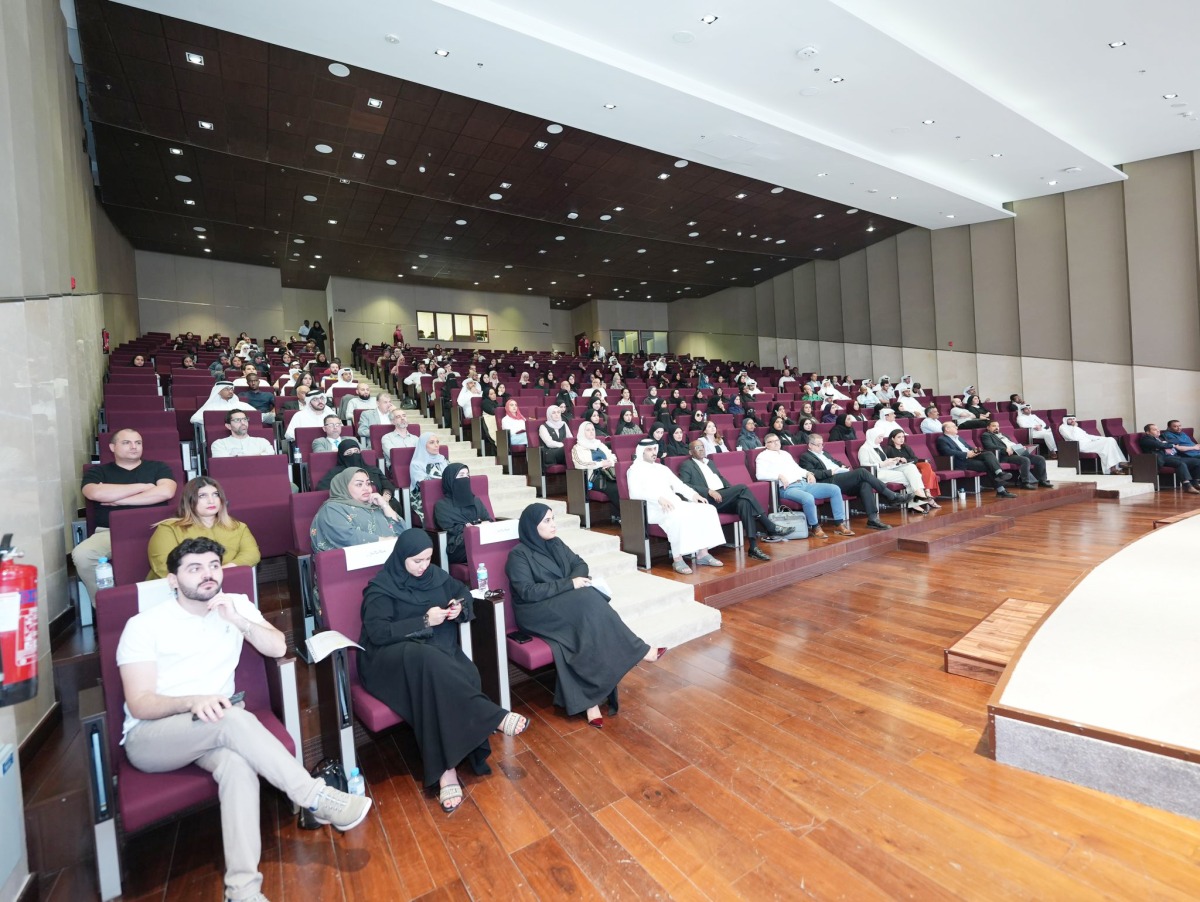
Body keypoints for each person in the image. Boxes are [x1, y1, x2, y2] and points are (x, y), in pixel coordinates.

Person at [118, 538, 371, 901]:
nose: (207, 574)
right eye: (194, 568)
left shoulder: (235, 604)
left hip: (213, 729)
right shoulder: (144, 625)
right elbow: (140, 703)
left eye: (213, 566)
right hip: (155, 736)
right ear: (173, 580)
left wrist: (238, 621)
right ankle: (313, 795)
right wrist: (193, 701)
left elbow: (278, 648)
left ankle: (242, 891)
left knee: (237, 766)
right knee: (230, 717)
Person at [506, 504, 663, 728]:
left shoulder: (556, 543)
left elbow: (580, 564)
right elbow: (528, 592)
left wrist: (574, 583)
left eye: (553, 519)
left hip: (566, 603)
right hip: (535, 611)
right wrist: (570, 584)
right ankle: (640, 650)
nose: (553, 525)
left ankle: (590, 702)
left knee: (588, 622)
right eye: (547, 521)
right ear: (532, 527)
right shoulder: (518, 555)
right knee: (589, 599)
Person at [73, 429, 178, 602]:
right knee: (83, 555)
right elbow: (95, 494)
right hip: (110, 532)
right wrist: (143, 486)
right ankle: (112, 603)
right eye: (126, 442)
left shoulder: (159, 467)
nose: (134, 447)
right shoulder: (97, 471)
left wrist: (119, 500)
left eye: (138, 442)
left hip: (158, 530)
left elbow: (166, 492)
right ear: (112, 447)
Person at [680, 440, 794, 561]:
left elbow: (721, 479)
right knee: (742, 488)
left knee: (744, 503)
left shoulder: (710, 463)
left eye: (702, 446)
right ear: (690, 452)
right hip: (708, 500)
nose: (701, 449)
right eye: (697, 447)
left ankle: (753, 548)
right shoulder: (687, 465)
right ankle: (769, 525)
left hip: (723, 496)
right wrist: (708, 491)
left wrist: (731, 492)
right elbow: (684, 485)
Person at [626, 438, 726, 574]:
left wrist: (693, 495)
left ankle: (703, 553)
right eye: (649, 450)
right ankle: (677, 559)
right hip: (652, 508)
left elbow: (679, 485)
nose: (653, 452)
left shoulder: (662, 468)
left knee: (708, 510)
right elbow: (635, 494)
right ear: (641, 452)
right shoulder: (634, 470)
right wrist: (658, 498)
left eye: (654, 449)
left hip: (673, 503)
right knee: (676, 516)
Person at [145, 478, 260, 579]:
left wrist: (219, 572)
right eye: (202, 496)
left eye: (216, 494)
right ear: (190, 501)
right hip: (174, 592)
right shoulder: (168, 528)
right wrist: (206, 577)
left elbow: (252, 554)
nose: (211, 500)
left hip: (225, 584)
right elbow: (163, 566)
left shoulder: (238, 527)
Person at [798, 434, 911, 530]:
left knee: (864, 484)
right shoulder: (805, 457)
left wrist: (842, 466)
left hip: (841, 478)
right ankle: (891, 495)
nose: (821, 447)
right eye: (818, 445)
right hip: (829, 481)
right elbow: (812, 473)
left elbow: (835, 462)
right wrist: (831, 471)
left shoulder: (825, 453)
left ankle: (872, 519)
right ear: (810, 445)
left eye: (822, 444)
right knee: (862, 472)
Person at [755, 433, 854, 537]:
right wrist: (778, 476)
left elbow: (797, 469)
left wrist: (808, 473)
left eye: (777, 440)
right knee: (808, 498)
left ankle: (839, 523)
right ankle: (814, 526)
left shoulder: (785, 454)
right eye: (772, 441)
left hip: (803, 483)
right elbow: (760, 475)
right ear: (766, 444)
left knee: (834, 489)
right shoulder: (762, 456)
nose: (776, 443)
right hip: (787, 488)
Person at [310, 468, 406, 552]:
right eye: (359, 484)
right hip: (350, 567)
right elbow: (347, 538)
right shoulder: (331, 509)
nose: (366, 488)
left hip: (388, 557)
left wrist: (385, 505)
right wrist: (389, 542)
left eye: (368, 483)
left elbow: (402, 530)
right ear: (344, 487)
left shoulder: (373, 504)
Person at [857, 430, 934, 512]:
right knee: (913, 476)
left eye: (882, 437)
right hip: (876, 473)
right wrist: (881, 464)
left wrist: (893, 460)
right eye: (879, 437)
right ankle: (918, 497)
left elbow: (884, 460)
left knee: (911, 467)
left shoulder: (877, 446)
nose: (882, 440)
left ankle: (918, 494)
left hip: (887, 469)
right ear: (872, 437)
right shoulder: (864, 449)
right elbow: (864, 466)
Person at [432, 464, 494, 564]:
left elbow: (488, 520)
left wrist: (474, 526)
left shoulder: (476, 500)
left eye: (467, 475)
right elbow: (449, 529)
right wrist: (471, 527)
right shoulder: (442, 505)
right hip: (458, 546)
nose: (465, 478)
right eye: (461, 475)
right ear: (450, 480)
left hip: (482, 538)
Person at [936, 422, 1016, 498]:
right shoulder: (942, 439)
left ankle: (999, 473)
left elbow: (968, 447)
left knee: (988, 453)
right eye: (954, 426)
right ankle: (1001, 489)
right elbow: (947, 452)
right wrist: (966, 454)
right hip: (962, 460)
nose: (956, 427)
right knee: (988, 465)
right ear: (947, 429)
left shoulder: (959, 438)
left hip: (972, 456)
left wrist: (975, 450)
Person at [316, 440, 399, 513]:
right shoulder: (336, 473)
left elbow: (387, 485)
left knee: (394, 504)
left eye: (356, 451)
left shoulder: (372, 469)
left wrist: (385, 496)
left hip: (378, 501)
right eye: (349, 453)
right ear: (342, 456)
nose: (354, 455)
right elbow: (322, 488)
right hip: (353, 506)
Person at [571, 421, 621, 523]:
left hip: (609, 472)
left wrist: (610, 462)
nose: (591, 432)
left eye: (593, 429)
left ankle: (619, 515)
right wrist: (599, 464)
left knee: (624, 485)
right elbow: (580, 464)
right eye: (588, 430)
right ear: (581, 432)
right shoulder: (577, 448)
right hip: (594, 477)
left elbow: (613, 457)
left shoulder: (599, 444)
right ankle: (626, 516)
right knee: (615, 488)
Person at [981, 421, 1053, 488]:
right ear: (988, 427)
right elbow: (990, 446)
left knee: (1040, 459)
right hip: (1005, 455)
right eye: (994, 426)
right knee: (1025, 460)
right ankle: (1025, 482)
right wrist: (1005, 449)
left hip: (1017, 451)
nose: (997, 428)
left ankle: (1042, 480)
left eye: (998, 426)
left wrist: (1021, 447)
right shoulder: (986, 435)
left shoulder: (1004, 435)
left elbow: (1012, 444)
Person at [883, 429, 943, 505]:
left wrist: (906, 460)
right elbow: (887, 461)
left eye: (903, 437)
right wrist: (897, 460)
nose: (902, 439)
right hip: (900, 469)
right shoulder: (888, 449)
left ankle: (927, 491)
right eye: (899, 437)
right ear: (892, 438)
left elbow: (915, 459)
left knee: (927, 465)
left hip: (911, 465)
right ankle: (927, 496)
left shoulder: (906, 447)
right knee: (931, 474)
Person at [1137, 425, 1200, 493]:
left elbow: (1176, 440)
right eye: (1154, 430)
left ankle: (1195, 482)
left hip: (1172, 457)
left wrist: (1166, 443)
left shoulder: (1160, 437)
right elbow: (1160, 445)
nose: (1158, 430)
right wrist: (1170, 445)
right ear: (1148, 432)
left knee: (1196, 461)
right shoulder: (1146, 439)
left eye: (1158, 429)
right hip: (1161, 458)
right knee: (1180, 464)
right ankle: (1187, 486)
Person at [1057, 415, 1127, 474]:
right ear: (1065, 420)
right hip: (1080, 445)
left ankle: (1118, 465)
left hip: (1088, 443)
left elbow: (1087, 435)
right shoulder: (1063, 428)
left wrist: (1101, 438)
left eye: (1073, 419)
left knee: (1110, 439)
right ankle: (1113, 468)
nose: (1072, 420)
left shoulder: (1076, 428)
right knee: (1108, 442)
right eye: (1070, 419)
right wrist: (1075, 427)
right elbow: (1073, 438)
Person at [408, 433, 448, 521]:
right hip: (425, 498)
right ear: (423, 445)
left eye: (437, 442)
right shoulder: (417, 464)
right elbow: (425, 485)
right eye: (432, 442)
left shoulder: (442, 459)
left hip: (445, 494)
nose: (436, 445)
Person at [191, 381, 255, 429]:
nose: (230, 391)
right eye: (227, 389)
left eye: (231, 389)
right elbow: (194, 419)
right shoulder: (211, 406)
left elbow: (257, 416)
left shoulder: (242, 405)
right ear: (218, 391)